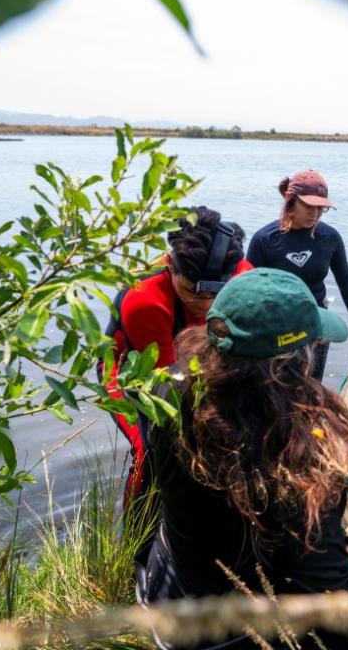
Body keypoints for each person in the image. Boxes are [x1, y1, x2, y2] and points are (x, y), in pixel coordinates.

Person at [143, 268, 348, 650]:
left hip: (164, 596)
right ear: (285, 365)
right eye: (311, 345)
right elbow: (331, 606)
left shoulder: (167, 387)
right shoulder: (296, 460)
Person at [101, 207, 253, 505]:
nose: (207, 306)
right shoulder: (144, 300)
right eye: (194, 294)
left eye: (217, 294)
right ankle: (137, 545)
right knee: (151, 453)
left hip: (198, 356)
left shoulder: (243, 275)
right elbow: (168, 392)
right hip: (133, 372)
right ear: (170, 264)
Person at [247, 170, 348, 380]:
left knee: (311, 390)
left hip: (317, 325)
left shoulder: (330, 237)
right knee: (276, 390)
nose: (316, 214)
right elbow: (248, 290)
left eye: (321, 208)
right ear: (291, 201)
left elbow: (345, 281)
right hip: (276, 327)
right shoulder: (264, 239)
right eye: (309, 207)